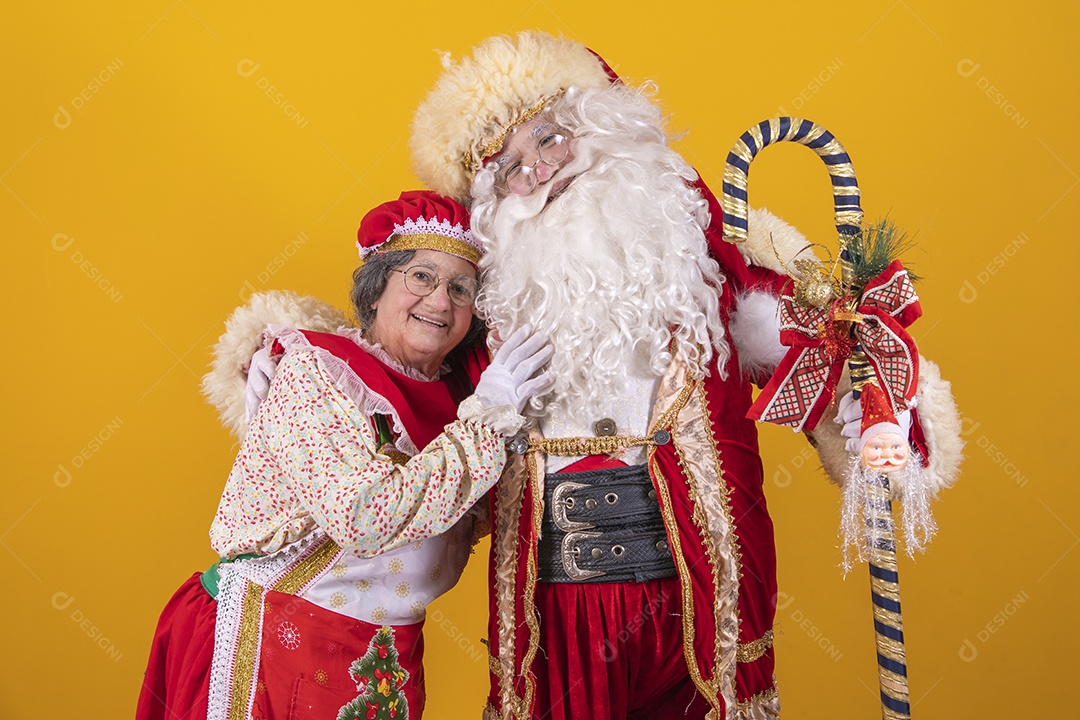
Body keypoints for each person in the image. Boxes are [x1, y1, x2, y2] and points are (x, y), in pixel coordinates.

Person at [409, 31, 961, 720]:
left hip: (704, 592)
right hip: (554, 613)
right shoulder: (481, 308)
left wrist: (874, 414)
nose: (542, 172)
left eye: (551, 138)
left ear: (600, 123)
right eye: (511, 166)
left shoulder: (708, 267)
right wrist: (286, 359)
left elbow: (834, 366)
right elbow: (393, 368)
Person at [136, 190, 553, 720]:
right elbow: (362, 516)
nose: (441, 301)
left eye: (461, 287)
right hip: (271, 636)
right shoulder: (317, 372)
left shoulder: (462, 401)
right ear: (378, 289)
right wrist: (490, 417)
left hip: (385, 655)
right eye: (421, 277)